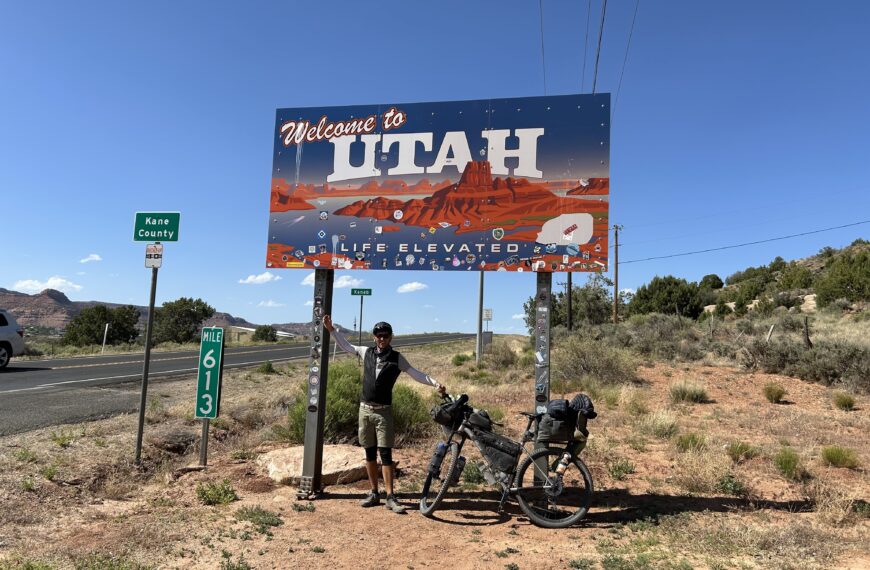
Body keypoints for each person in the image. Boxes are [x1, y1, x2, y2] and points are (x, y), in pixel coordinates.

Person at [323, 315, 446, 513]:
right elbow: (347, 346)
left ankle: (390, 496)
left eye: (386, 336)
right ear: (374, 337)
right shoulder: (366, 352)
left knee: (386, 454)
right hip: (365, 410)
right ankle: (374, 493)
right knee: (369, 453)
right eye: (379, 335)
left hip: (383, 413)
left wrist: (435, 384)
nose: (382, 339)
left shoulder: (397, 358)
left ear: (391, 337)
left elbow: (415, 373)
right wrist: (331, 330)